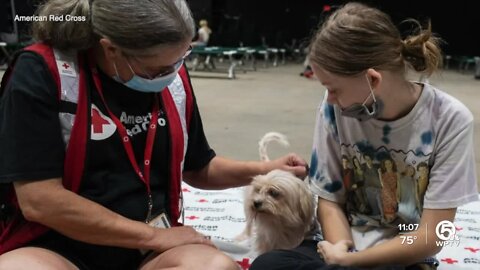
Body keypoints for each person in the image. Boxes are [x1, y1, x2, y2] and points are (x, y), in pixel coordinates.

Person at [0, 0, 308, 269]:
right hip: (58, 246)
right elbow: (40, 200)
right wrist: (155, 235)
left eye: (180, 59)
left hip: (148, 251)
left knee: (214, 266)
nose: (171, 73)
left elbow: (198, 166)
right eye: (157, 68)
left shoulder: (171, 76)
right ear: (111, 49)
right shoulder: (43, 72)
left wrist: (266, 170)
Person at [251, 2, 478, 270]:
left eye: (334, 89)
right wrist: (341, 254)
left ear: (373, 80)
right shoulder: (332, 108)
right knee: (269, 264)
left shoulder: (449, 119)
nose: (331, 99)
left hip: (403, 252)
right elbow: (329, 200)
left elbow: (432, 235)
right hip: (339, 246)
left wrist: (354, 262)